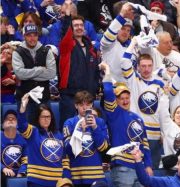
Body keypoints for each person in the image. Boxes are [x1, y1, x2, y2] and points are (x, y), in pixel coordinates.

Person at [100, 62, 152, 187]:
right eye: (121, 98)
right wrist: (108, 72)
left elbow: (145, 144)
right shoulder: (113, 113)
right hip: (122, 166)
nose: (124, 101)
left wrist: (148, 165)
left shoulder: (138, 118)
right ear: (116, 101)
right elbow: (108, 92)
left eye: (127, 98)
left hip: (139, 167)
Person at [120, 39, 165, 169]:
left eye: (149, 66)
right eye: (143, 66)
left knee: (153, 171)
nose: (146, 69)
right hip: (136, 132)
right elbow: (124, 61)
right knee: (136, 169)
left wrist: (163, 132)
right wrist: (133, 43)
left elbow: (162, 110)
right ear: (138, 67)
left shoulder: (160, 84)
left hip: (154, 134)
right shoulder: (133, 80)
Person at [17, 93, 68, 187]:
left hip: (57, 184)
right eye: (43, 117)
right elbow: (21, 126)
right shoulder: (33, 132)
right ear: (38, 118)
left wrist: (65, 178)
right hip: (38, 183)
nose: (46, 119)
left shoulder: (58, 135)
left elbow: (64, 158)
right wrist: (22, 108)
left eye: (48, 116)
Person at [59, 1, 100, 129]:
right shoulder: (66, 45)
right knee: (69, 131)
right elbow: (66, 32)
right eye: (75, 25)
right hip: (70, 97)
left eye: (81, 25)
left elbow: (95, 72)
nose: (79, 27)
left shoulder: (91, 47)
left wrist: (95, 87)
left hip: (88, 98)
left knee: (89, 132)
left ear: (85, 28)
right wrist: (67, 14)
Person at [63, 91, 109, 187]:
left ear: (92, 105)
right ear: (76, 106)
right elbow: (69, 150)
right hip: (77, 177)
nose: (85, 108)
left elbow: (103, 148)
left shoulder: (100, 122)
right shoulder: (69, 123)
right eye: (81, 105)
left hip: (97, 177)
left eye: (88, 104)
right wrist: (79, 130)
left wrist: (95, 128)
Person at [12, 23, 56, 123]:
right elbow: (19, 74)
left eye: (34, 35)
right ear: (24, 36)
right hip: (24, 100)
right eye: (29, 35)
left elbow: (52, 73)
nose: (32, 38)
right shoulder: (17, 52)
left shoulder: (46, 51)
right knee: (26, 131)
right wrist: (40, 69)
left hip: (43, 99)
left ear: (38, 36)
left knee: (44, 129)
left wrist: (28, 74)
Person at [100, 1, 135, 83]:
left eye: (128, 30)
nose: (125, 32)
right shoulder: (109, 44)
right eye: (122, 29)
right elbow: (109, 35)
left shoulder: (132, 47)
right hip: (112, 89)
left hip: (129, 91)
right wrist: (121, 16)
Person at [1, 110, 27, 187]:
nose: (11, 120)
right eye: (8, 119)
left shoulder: (23, 139)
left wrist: (21, 173)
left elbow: (26, 159)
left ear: (17, 124)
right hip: (3, 173)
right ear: (3, 125)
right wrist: (3, 168)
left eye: (14, 119)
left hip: (20, 172)